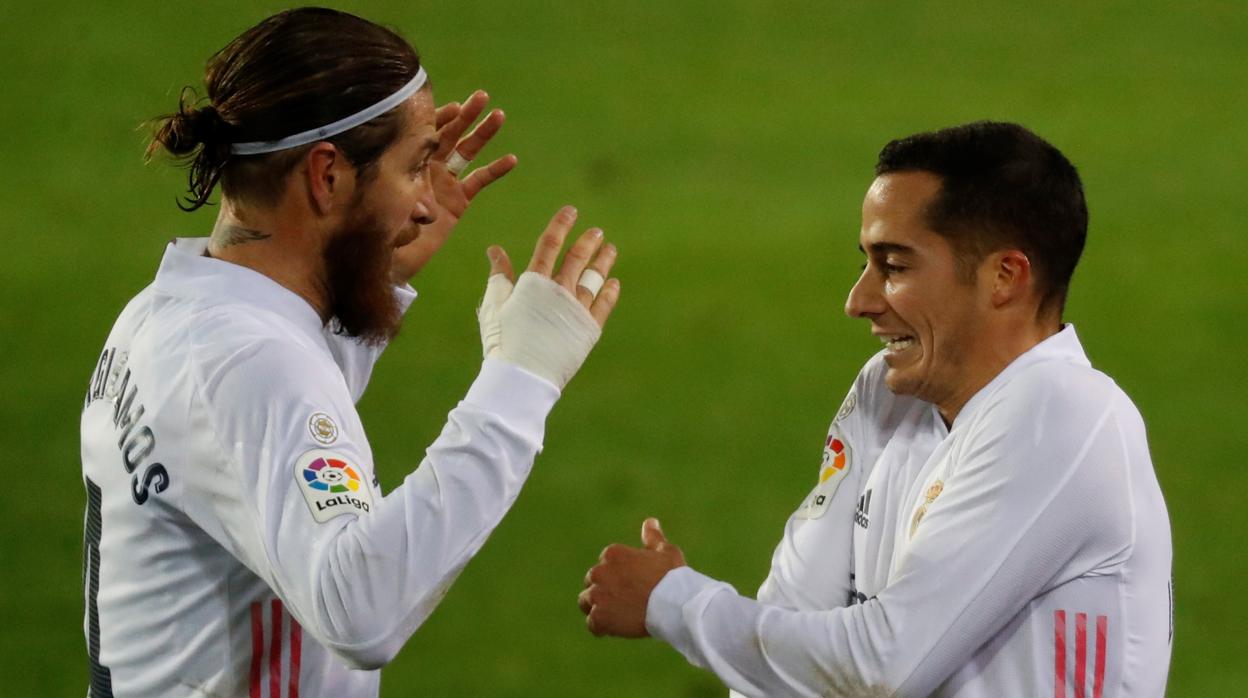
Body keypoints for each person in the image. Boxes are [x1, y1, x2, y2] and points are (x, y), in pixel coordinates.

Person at [81, 8, 620, 696]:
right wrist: (521, 380)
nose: (427, 206)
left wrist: (374, 278)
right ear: (327, 176)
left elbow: (257, 451)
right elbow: (361, 609)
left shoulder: (168, 316)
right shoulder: (249, 364)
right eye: (416, 166)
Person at [579, 122, 1171, 697]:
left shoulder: (1065, 413)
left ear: (1004, 276)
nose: (858, 301)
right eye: (865, 261)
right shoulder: (887, 394)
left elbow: (883, 666)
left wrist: (672, 602)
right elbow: (792, 613)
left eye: (893, 266)